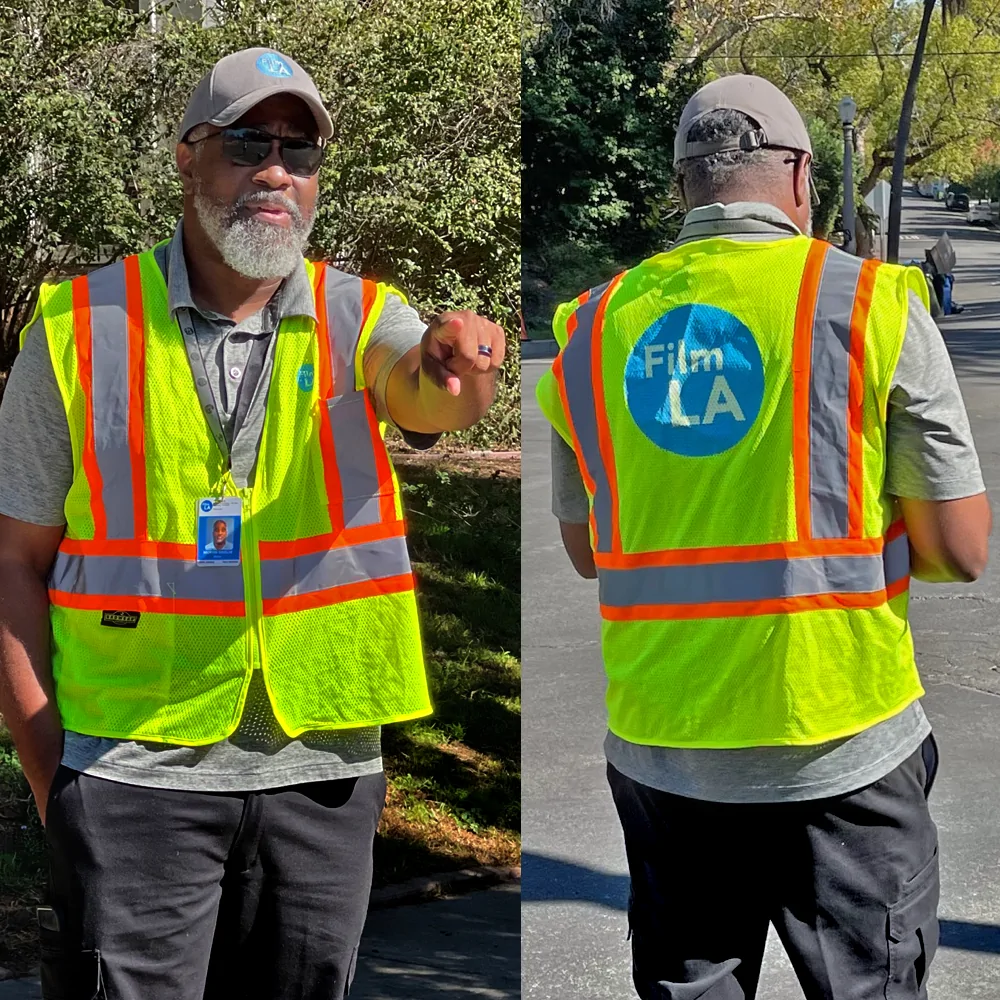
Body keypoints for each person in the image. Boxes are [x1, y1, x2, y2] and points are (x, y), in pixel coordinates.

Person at [0, 47, 505, 1000]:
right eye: (248, 142)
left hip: (321, 776)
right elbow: (12, 563)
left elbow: (425, 394)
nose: (277, 169)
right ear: (188, 157)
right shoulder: (77, 329)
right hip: (131, 774)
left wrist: (460, 366)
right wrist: (51, 775)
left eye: (300, 151)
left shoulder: (364, 317)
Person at [536, 74, 991, 1000]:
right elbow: (960, 547)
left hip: (667, 748)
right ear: (799, 179)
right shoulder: (874, 305)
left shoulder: (589, 329)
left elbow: (589, 549)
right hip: (840, 739)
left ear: (682, 187)